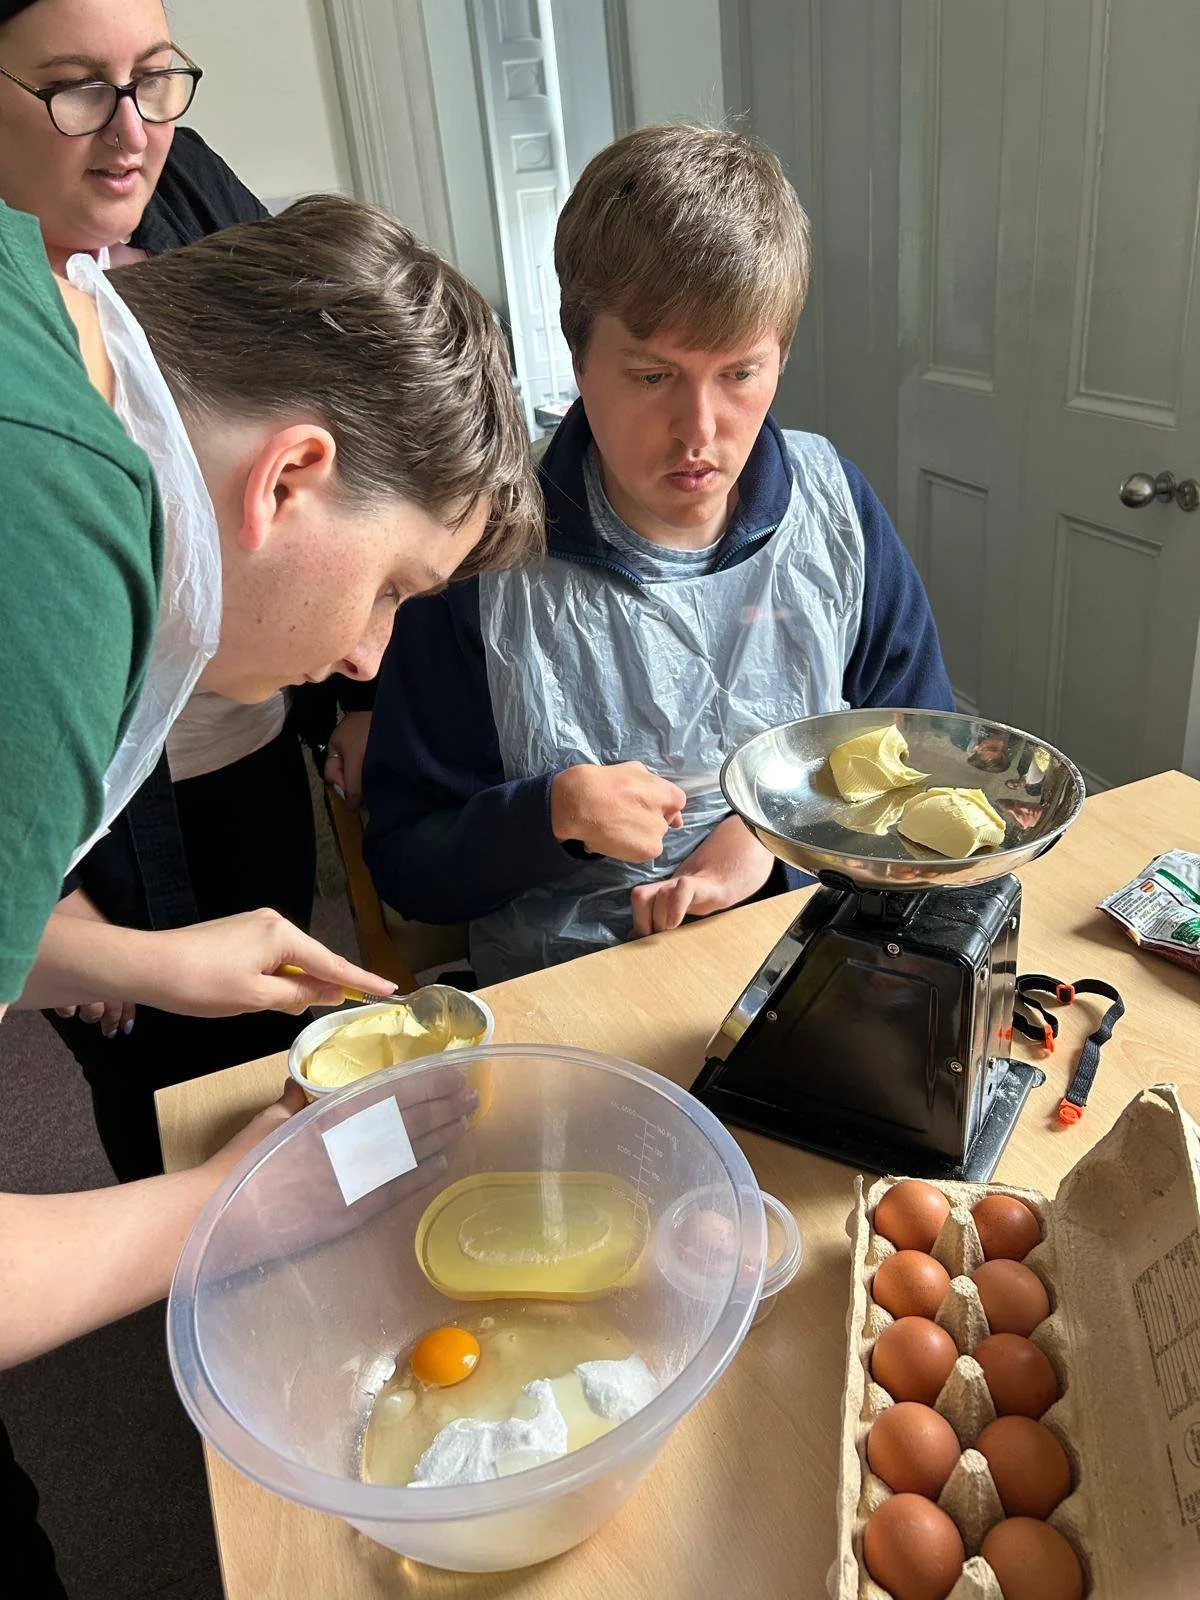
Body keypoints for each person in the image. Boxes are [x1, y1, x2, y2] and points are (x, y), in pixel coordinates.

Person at [0, 190, 539, 1587]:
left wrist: (139, 962)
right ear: (290, 476)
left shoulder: (43, 310)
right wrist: (241, 1199)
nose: (370, 656)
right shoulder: (57, 567)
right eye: (392, 589)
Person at [363, 123, 955, 985]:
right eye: (651, 376)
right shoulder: (474, 558)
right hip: (570, 994)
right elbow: (409, 864)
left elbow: (922, 761)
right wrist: (550, 816)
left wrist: (773, 840)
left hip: (809, 964)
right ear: (576, 358)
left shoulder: (838, 511)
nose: (700, 433)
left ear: (781, 357)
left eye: (740, 374)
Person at [0, 0, 370, 1178]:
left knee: (244, 1001)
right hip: (106, 809)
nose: (130, 132)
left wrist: (110, 958)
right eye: (74, 89)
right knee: (139, 1075)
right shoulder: (45, 460)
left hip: (229, 756)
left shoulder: (181, 206)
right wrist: (200, 1211)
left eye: (158, 78)